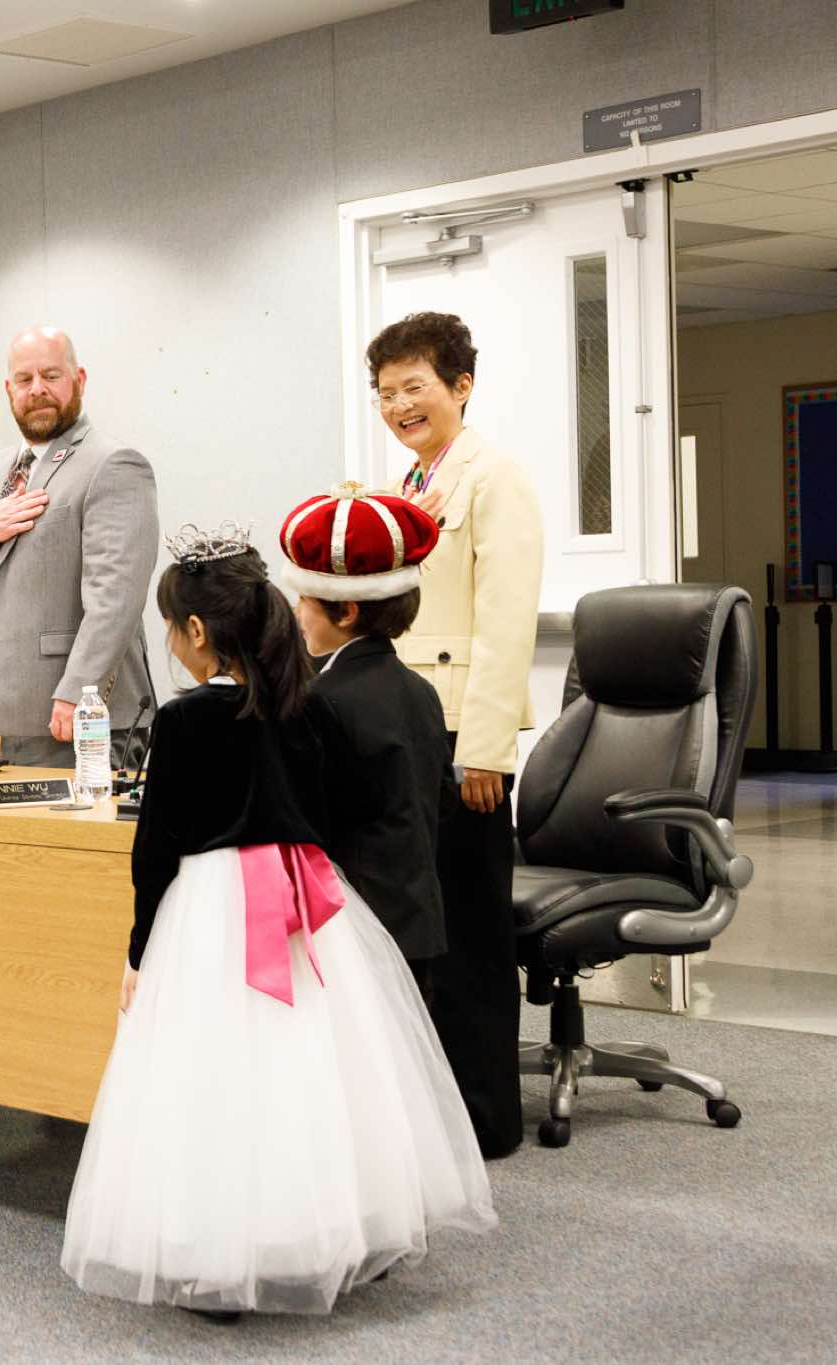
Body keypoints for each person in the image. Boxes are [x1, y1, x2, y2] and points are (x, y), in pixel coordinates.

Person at [62, 525, 493, 1318]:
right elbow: (328, 815)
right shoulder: (305, 707)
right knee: (314, 1065)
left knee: (216, 1071)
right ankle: (335, 1225)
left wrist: (138, 951)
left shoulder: (185, 722)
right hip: (303, 898)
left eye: (171, 627)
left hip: (212, 906)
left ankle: (220, 1252)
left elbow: (156, 853)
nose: (170, 641)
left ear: (197, 631)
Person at [369, 312, 542, 1159]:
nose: (400, 405)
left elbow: (507, 621)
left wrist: (484, 748)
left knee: (472, 932)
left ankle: (488, 1119)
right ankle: (434, 1107)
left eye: (415, 387)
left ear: (460, 386)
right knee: (421, 927)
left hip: (460, 738)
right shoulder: (408, 480)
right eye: (386, 392)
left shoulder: (492, 475)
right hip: (410, 729)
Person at [0, 326, 157, 768]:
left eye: (51, 375)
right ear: (9, 390)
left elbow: (115, 598)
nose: (37, 389)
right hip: (12, 719)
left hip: (85, 719)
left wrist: (79, 691)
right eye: (25, 379)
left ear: (79, 380)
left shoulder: (113, 464)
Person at [278, 483, 455, 998]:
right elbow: (442, 799)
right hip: (417, 919)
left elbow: (310, 822)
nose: (297, 614)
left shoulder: (321, 700)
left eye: (304, 600)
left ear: (348, 610)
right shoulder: (420, 690)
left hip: (355, 925)